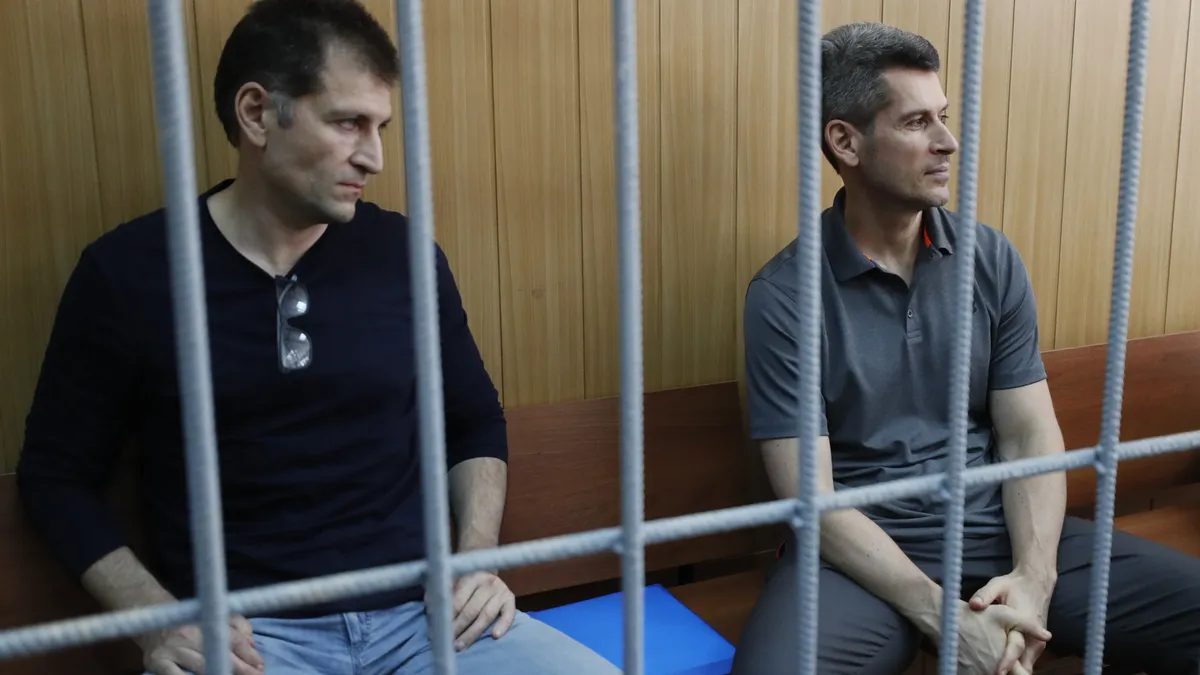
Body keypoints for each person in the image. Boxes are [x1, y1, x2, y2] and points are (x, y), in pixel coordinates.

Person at [14, 1, 620, 674]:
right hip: (250, 641)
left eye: (381, 127)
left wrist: (474, 559)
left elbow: (473, 419)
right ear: (256, 113)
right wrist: (158, 620)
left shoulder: (402, 254)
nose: (375, 156)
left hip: (426, 619)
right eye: (347, 122)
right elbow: (55, 475)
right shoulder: (129, 273)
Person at [732, 21, 1200, 675]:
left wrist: (1034, 578)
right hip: (858, 557)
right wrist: (947, 620)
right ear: (845, 142)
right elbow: (814, 504)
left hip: (995, 528)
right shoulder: (785, 296)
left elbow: (1029, 438)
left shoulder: (989, 259)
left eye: (944, 117)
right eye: (916, 122)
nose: (947, 142)